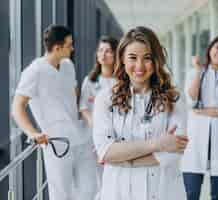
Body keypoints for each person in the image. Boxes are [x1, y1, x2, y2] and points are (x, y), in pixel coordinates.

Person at [93, 26, 189, 200]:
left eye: (147, 58)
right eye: (132, 58)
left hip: (162, 191)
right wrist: (158, 144)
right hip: (118, 191)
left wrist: (124, 159)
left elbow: (175, 151)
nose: (139, 66)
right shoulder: (105, 98)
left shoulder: (174, 98)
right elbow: (106, 152)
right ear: (121, 58)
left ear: (156, 60)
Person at [12, 25, 96, 200]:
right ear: (57, 48)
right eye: (69, 45)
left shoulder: (67, 65)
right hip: (56, 143)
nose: (72, 49)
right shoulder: (34, 72)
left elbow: (73, 94)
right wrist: (32, 133)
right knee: (61, 195)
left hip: (79, 137)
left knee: (89, 190)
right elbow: (17, 107)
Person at [181, 35, 218, 200]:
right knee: (191, 193)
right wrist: (199, 72)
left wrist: (202, 111)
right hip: (195, 143)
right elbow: (191, 100)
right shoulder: (194, 73)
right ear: (210, 49)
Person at [79, 36, 118, 200]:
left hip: (117, 137)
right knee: (98, 179)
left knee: (115, 177)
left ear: (116, 54)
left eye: (108, 51)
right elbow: (83, 107)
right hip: (94, 137)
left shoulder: (121, 81)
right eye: (101, 50)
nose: (103, 55)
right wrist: (95, 125)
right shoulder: (90, 80)